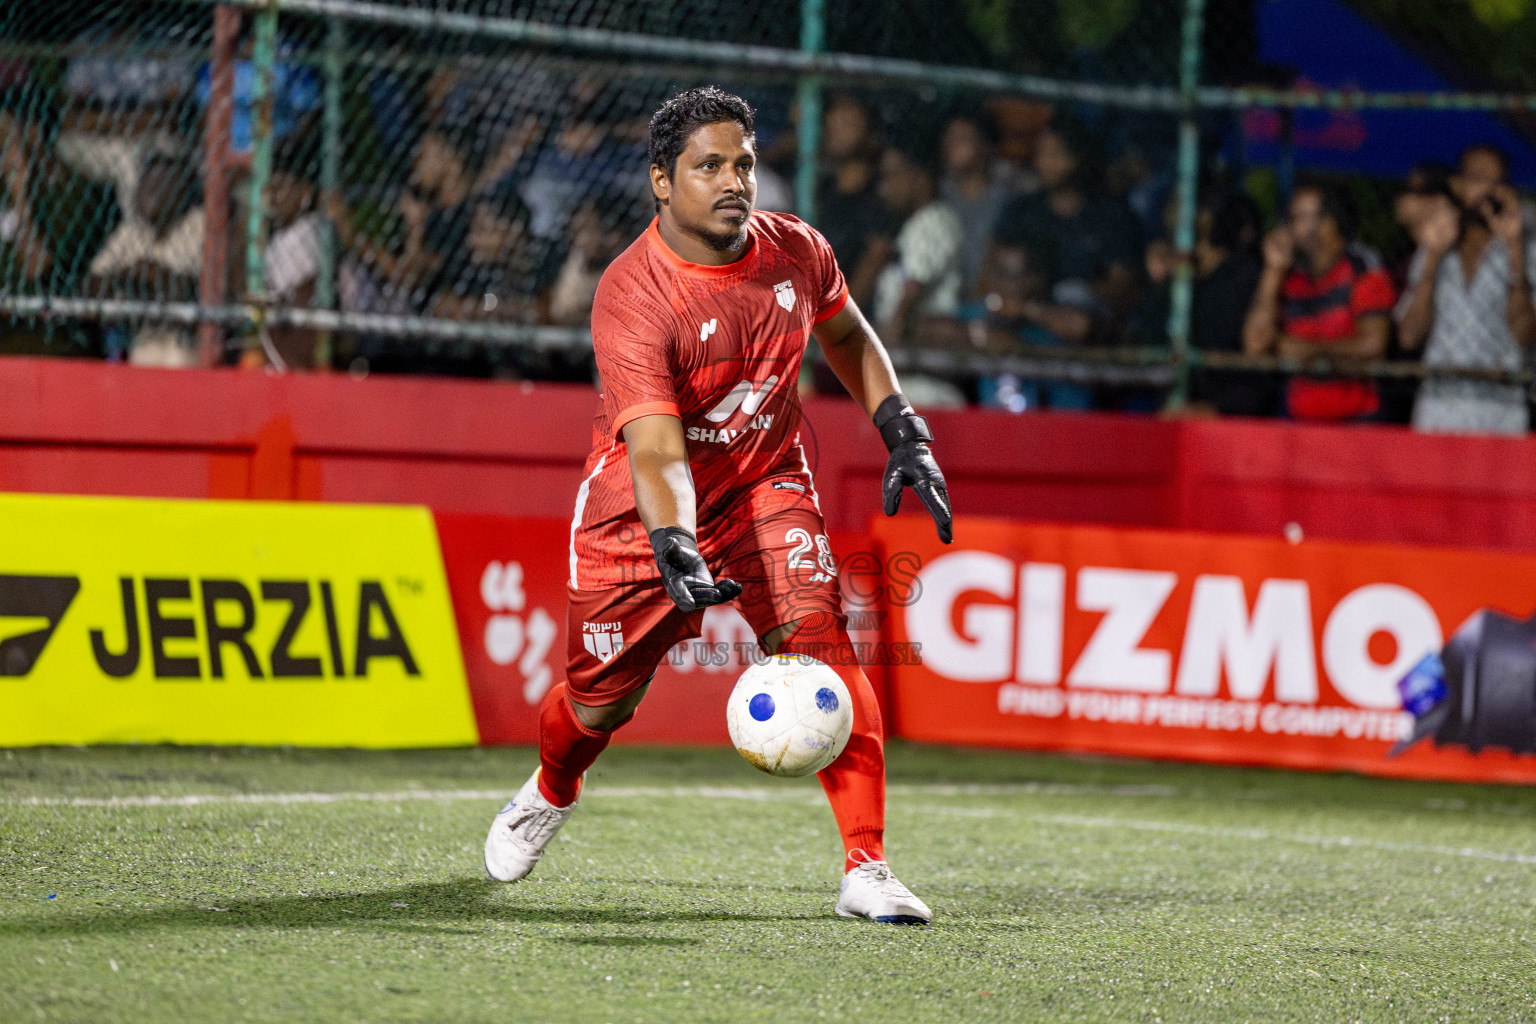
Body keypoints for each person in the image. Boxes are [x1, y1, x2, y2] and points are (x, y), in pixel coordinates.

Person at [482, 86, 953, 925]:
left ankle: (867, 866)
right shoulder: (633, 292)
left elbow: (846, 333)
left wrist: (902, 428)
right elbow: (657, 446)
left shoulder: (796, 250)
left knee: (823, 651)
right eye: (710, 167)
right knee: (599, 705)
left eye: (745, 164)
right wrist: (674, 537)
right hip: (642, 512)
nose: (735, 181)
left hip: (767, 484)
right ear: (662, 181)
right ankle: (552, 788)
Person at [1396, 144, 1536, 435]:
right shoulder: (1435, 244)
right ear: (1458, 186)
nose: (1489, 191)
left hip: (1502, 413)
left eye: (1497, 182)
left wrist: (1513, 249)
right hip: (1438, 410)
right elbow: (1409, 337)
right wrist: (1432, 258)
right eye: (1478, 179)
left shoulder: (1525, 248)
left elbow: (1524, 336)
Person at [1242, 181, 1395, 421]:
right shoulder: (1287, 277)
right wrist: (1272, 270)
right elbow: (1255, 345)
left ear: (1330, 223)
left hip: (1359, 421)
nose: (1291, 228)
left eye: (1301, 217)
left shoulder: (1363, 270)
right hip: (1300, 421)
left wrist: (1305, 350)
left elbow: (1373, 346)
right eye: (1291, 218)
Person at [990, 117, 1143, 324]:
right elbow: (991, 272)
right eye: (1041, 153)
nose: (1045, 163)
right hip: (1018, 315)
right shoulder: (1022, 209)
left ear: (1080, 158)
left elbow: (1122, 288)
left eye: (1056, 154)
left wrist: (1080, 291)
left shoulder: (1110, 215)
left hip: (1079, 322)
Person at [84, 150, 205, 366]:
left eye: (161, 183)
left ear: (183, 189)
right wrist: (134, 275)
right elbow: (91, 285)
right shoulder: (132, 229)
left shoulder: (199, 224)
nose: (149, 191)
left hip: (186, 338)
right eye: (146, 182)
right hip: (141, 334)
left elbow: (188, 291)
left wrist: (140, 277)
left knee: (175, 357)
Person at [814, 94, 894, 310]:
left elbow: (876, 254)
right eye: (832, 123)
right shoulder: (822, 187)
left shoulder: (879, 192)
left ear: (869, 133)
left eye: (847, 124)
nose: (835, 131)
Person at [937, 112, 1017, 298]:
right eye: (949, 138)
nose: (952, 146)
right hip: (943, 298)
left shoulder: (1004, 199)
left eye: (962, 139)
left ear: (985, 146)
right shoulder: (938, 194)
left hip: (988, 298)